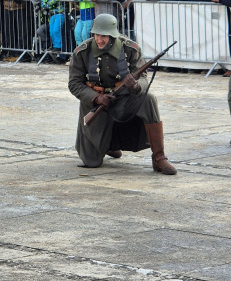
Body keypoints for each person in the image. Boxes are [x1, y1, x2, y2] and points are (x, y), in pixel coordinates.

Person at [68, 13, 177, 174]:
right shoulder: (82, 52)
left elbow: (144, 78)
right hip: (95, 104)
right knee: (91, 162)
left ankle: (159, 157)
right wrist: (96, 97)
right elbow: (74, 83)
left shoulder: (130, 49)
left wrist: (136, 86)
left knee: (148, 99)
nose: (99, 40)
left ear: (113, 35)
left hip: (124, 99)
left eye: (104, 36)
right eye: (97, 35)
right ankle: (108, 145)